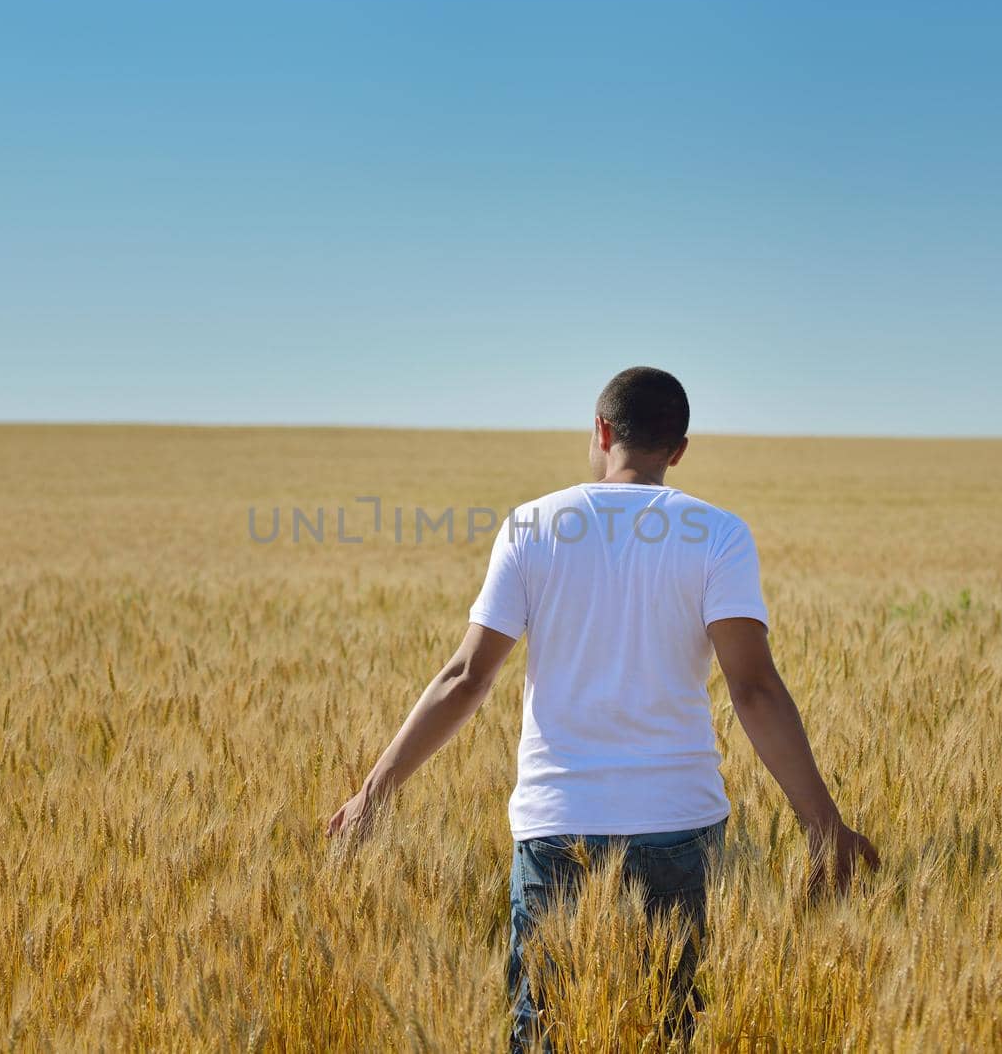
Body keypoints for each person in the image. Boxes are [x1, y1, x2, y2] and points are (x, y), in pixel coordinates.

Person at [326, 366, 879, 1051]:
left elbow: (467, 677)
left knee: (545, 1029)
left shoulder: (531, 524)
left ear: (601, 431)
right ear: (678, 448)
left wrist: (373, 793)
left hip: (557, 824)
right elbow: (754, 689)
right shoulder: (718, 534)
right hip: (678, 822)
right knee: (674, 1026)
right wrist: (823, 824)